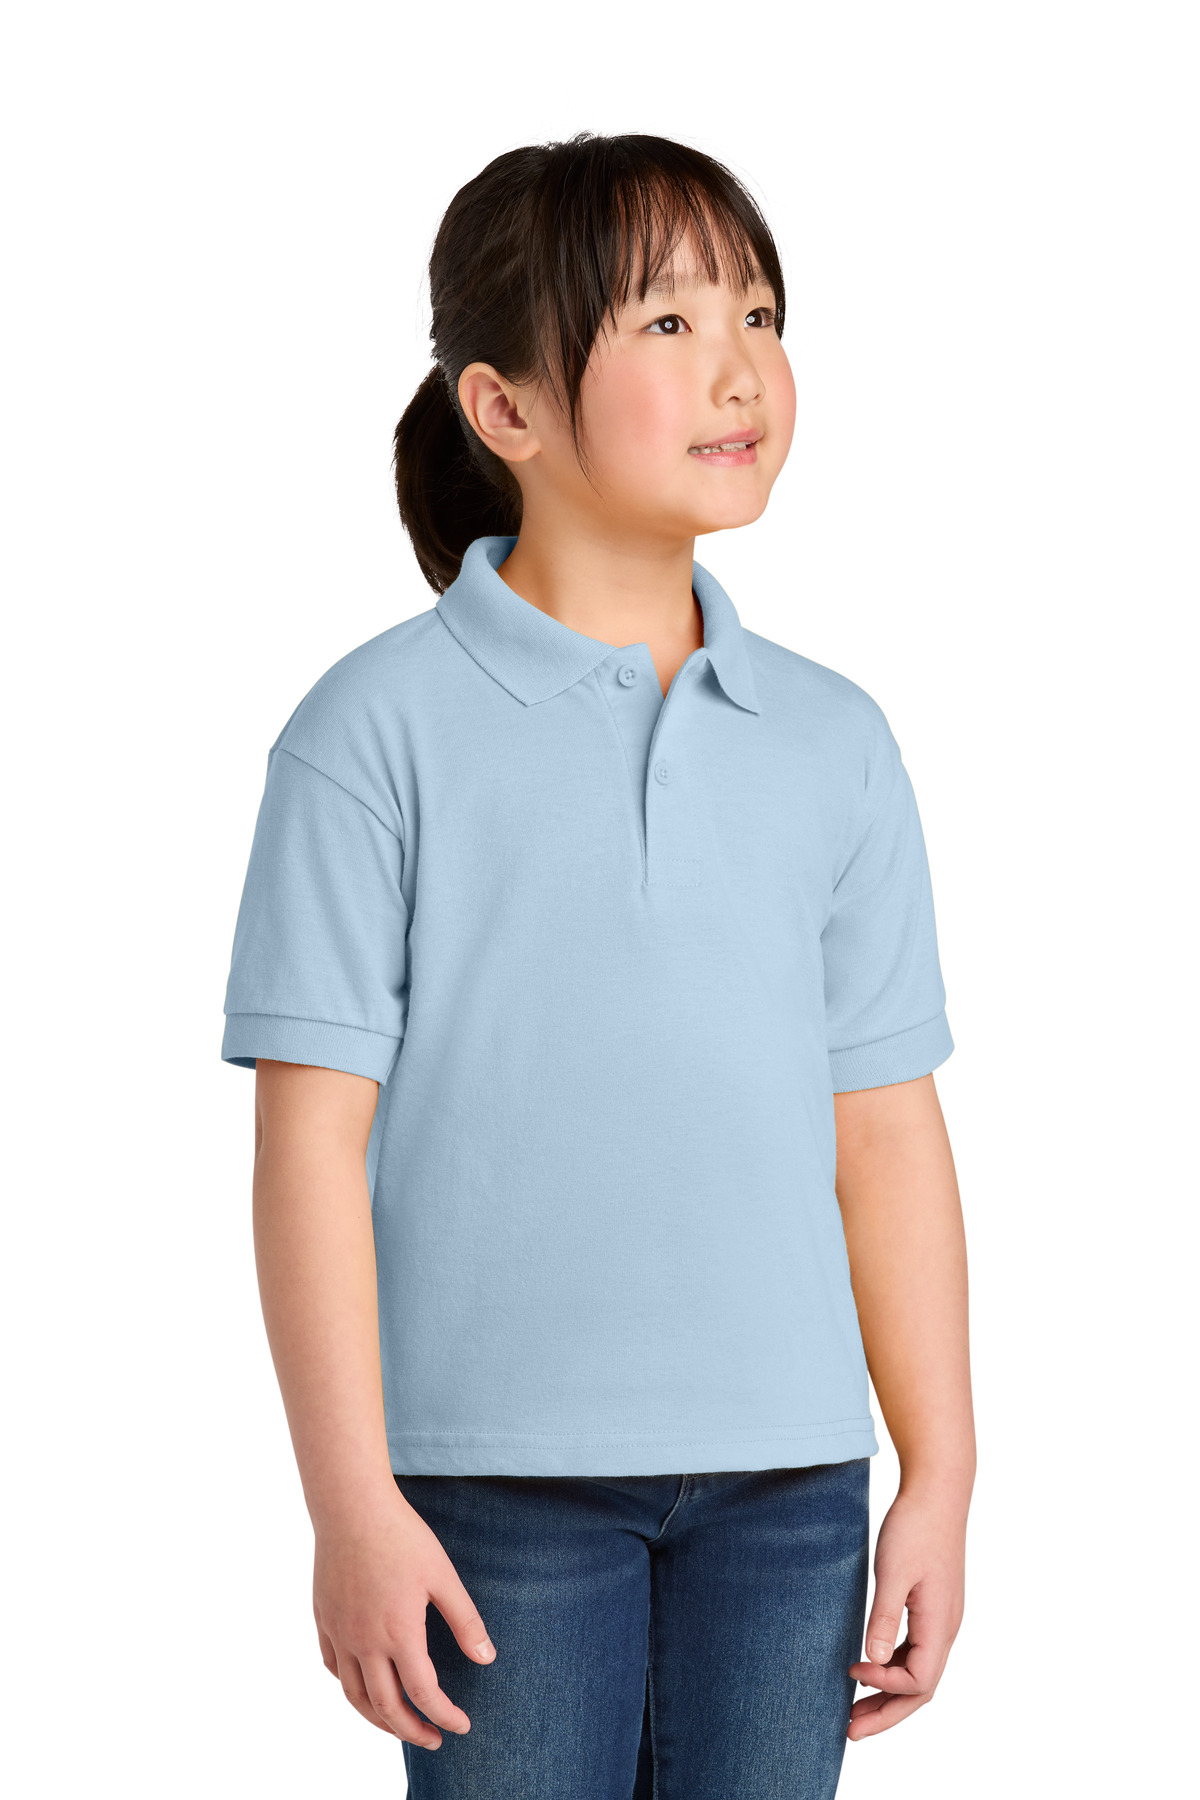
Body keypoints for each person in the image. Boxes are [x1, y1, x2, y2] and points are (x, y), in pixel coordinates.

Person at [220, 132, 974, 1799]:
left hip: (792, 1494)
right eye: (667, 323)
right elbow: (309, 1148)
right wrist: (350, 1504)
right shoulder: (372, 732)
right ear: (505, 408)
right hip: (489, 1494)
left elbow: (885, 1133)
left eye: (759, 314)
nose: (740, 368)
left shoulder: (835, 742)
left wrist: (940, 1469)